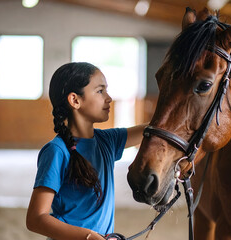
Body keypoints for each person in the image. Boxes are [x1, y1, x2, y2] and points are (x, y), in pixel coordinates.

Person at [26, 62, 146, 240]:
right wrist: (88, 237)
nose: (109, 98)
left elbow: (155, 131)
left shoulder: (108, 141)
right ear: (75, 100)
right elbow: (35, 218)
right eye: (100, 91)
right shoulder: (56, 151)